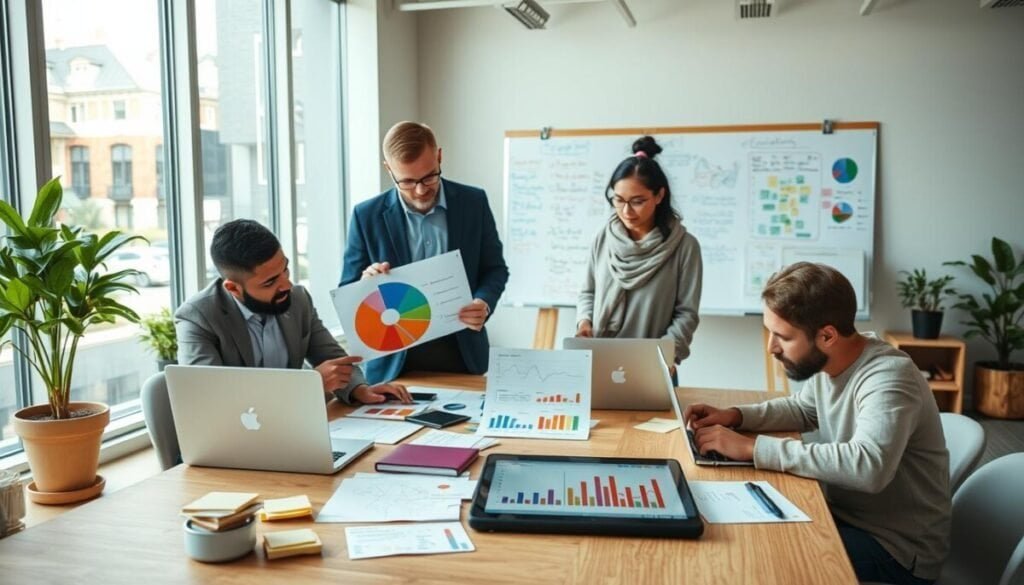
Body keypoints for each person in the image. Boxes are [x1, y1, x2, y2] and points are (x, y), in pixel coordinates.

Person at [684, 262, 950, 585]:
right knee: (741, 532)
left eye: (782, 336)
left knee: (764, 557)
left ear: (827, 335)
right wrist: (737, 416)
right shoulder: (837, 360)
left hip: (895, 550)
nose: (771, 347)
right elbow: (803, 409)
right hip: (845, 517)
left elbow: (870, 466)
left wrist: (753, 448)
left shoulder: (889, 377)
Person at [340, 121, 509, 384]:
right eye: (407, 181)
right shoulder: (366, 216)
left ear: (439, 156)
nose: (420, 190)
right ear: (389, 169)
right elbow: (347, 290)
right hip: (393, 364)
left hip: (462, 354)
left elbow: (495, 269)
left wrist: (483, 303)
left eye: (429, 176)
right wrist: (365, 284)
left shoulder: (473, 202)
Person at [176, 219, 410, 405]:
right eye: (270, 282)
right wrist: (309, 385)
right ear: (233, 288)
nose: (286, 284)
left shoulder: (297, 299)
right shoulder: (198, 318)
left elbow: (331, 357)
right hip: (233, 440)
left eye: (285, 269)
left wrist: (359, 389)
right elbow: (210, 401)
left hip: (293, 427)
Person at [575, 135, 703, 372]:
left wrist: (666, 354)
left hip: (653, 366)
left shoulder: (685, 247)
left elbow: (686, 314)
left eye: (637, 201)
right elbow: (588, 292)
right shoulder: (602, 238)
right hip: (599, 362)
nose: (626, 211)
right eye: (618, 200)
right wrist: (585, 321)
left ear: (659, 196)